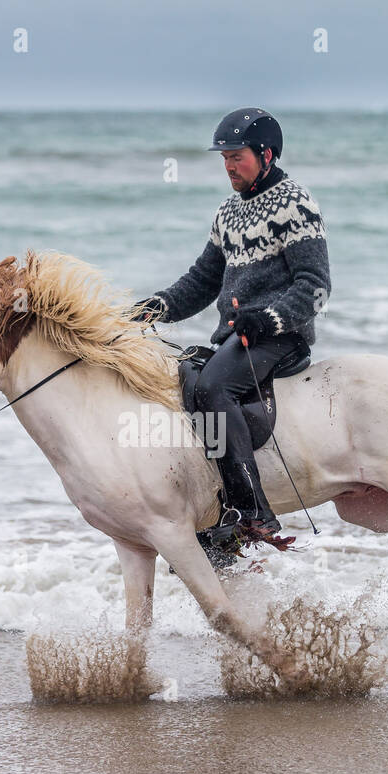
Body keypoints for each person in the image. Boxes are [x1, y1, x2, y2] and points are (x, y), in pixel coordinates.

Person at [132, 107, 331, 540]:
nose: (227, 166)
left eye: (236, 156)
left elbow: (315, 286)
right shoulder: (227, 212)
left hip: (281, 337)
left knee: (212, 388)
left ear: (266, 154)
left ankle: (252, 513)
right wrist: (152, 308)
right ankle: (216, 503)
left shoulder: (295, 203)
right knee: (185, 374)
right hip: (237, 337)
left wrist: (267, 319)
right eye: (223, 157)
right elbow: (202, 281)